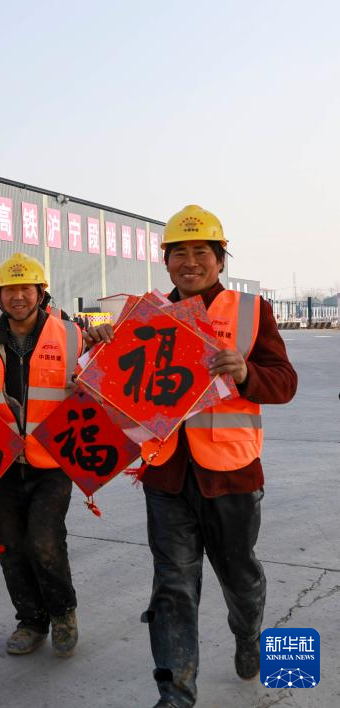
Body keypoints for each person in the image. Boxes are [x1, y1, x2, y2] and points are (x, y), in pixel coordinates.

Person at [85, 205, 297, 708]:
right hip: (166, 474)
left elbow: (285, 383)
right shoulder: (145, 314)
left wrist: (246, 374)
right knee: (173, 585)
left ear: (220, 260)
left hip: (231, 474)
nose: (190, 262)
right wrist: (97, 348)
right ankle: (176, 694)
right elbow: (109, 389)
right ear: (166, 262)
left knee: (240, 578)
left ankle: (248, 636)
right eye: (178, 253)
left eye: (201, 251)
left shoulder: (251, 311)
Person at [0, 252, 83, 659]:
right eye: (9, 290)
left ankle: (62, 613)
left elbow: (99, 387)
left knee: (44, 541)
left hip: (52, 461)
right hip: (3, 464)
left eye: (26, 288)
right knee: (10, 546)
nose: (18, 297)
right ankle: (30, 620)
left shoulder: (73, 336)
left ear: (41, 293)